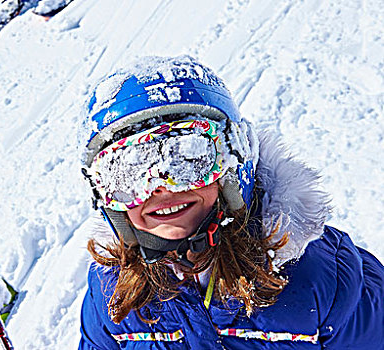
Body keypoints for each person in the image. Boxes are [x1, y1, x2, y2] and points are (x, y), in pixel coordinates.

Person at [78, 55, 383, 349]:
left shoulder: (327, 282)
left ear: (234, 164)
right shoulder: (111, 296)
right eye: (126, 175)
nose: (158, 188)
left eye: (187, 158)